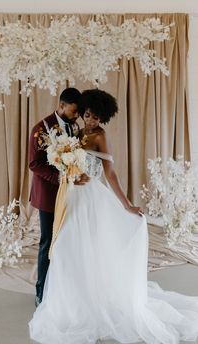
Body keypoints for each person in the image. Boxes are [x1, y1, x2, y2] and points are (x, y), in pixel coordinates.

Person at [29, 89, 198, 344]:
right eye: (87, 115)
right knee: (63, 245)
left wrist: (127, 205)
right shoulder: (71, 129)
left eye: (96, 117)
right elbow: (47, 162)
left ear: (102, 119)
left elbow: (110, 174)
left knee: (85, 245)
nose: (90, 120)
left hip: (89, 196)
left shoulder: (99, 136)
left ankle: (86, 296)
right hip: (71, 196)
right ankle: (56, 294)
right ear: (80, 112)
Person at [29, 87, 89, 307]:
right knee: (48, 242)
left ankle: (63, 288)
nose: (77, 117)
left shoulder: (74, 126)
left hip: (70, 194)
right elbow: (34, 164)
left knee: (67, 241)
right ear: (61, 105)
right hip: (48, 195)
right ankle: (41, 292)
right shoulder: (40, 130)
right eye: (73, 111)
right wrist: (63, 178)